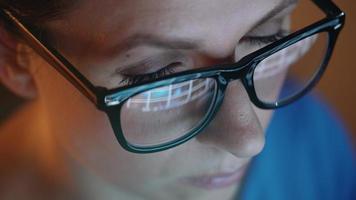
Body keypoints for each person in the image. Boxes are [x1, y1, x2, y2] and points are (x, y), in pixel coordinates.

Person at [0, 0, 354, 200]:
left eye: (268, 36)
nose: (250, 140)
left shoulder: (310, 140)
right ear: (15, 56)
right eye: (159, 78)